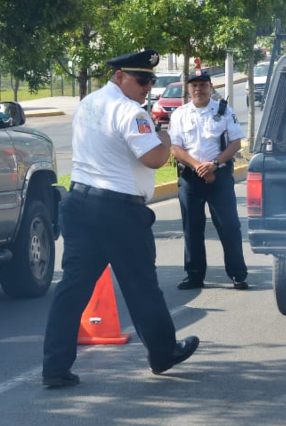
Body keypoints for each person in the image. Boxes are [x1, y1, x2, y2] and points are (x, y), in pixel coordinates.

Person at [42, 49, 199, 388]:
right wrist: (166, 138)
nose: (147, 87)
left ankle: (54, 368)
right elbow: (156, 159)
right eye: (141, 80)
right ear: (119, 76)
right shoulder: (131, 112)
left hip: (81, 204)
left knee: (72, 289)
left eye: (151, 81)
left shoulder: (88, 103)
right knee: (142, 287)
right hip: (118, 212)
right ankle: (163, 353)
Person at [169, 69, 249, 291]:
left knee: (229, 226)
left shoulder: (224, 111)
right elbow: (175, 147)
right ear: (188, 89)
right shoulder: (179, 114)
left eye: (203, 84)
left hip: (219, 177)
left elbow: (235, 143)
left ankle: (238, 274)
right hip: (191, 178)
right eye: (194, 85)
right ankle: (194, 275)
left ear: (210, 87)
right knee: (192, 228)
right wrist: (199, 167)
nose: (198, 89)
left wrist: (214, 164)